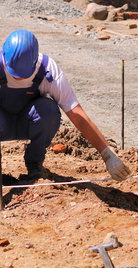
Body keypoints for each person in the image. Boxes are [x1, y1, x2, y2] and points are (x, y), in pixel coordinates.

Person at [0, 29, 131, 181]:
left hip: (29, 122)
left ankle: (35, 163)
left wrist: (108, 155)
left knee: (48, 111)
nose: (19, 78)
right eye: (15, 74)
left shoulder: (48, 70)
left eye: (24, 74)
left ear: (35, 62)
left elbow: (78, 116)